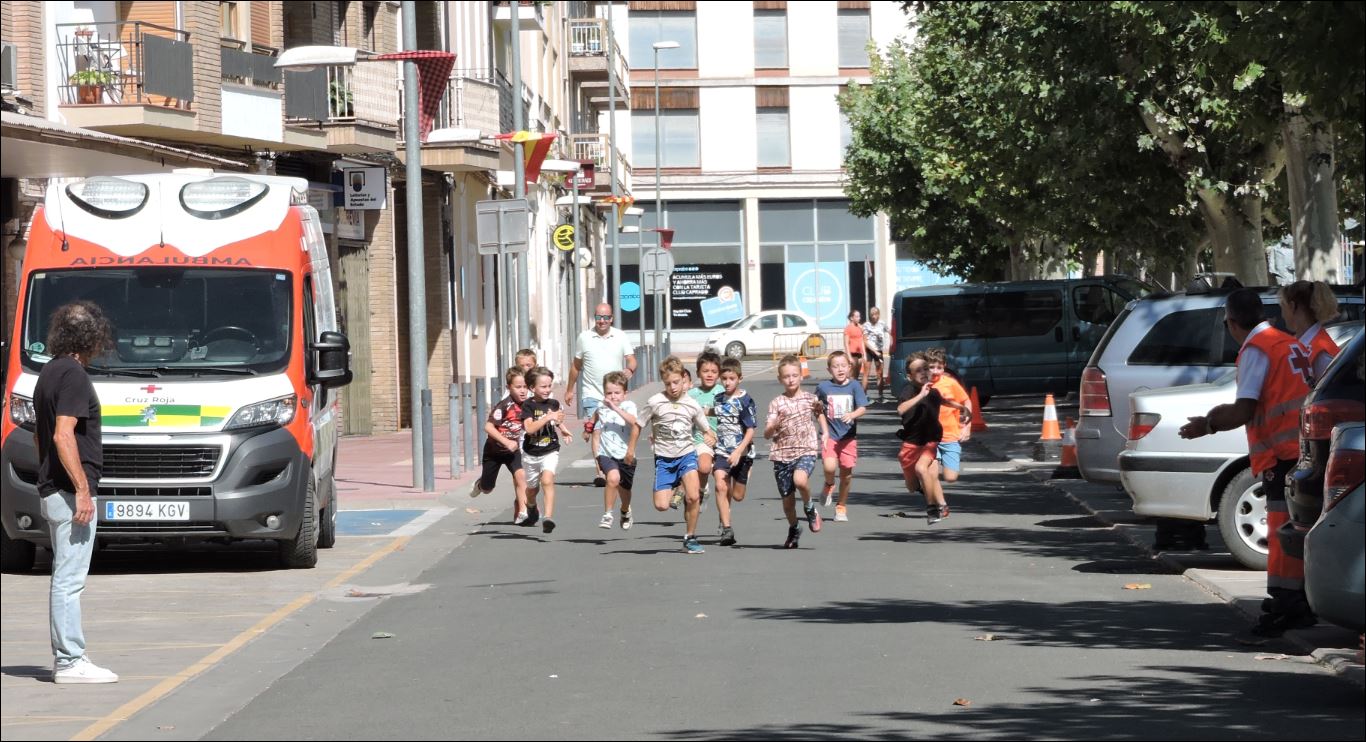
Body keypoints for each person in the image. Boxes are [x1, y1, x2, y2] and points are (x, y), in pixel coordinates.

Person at [1180, 288, 1314, 637]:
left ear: (1231, 323)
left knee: (1282, 533)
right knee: (1299, 532)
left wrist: (1207, 425)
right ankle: (1300, 600)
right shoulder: (1288, 343)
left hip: (1282, 455)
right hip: (1306, 450)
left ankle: (1287, 604)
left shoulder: (1256, 349)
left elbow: (1244, 409)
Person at [33, 301, 118, 683]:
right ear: (92, 337)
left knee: (63, 577)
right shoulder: (74, 375)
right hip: (69, 494)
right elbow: (62, 434)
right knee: (69, 580)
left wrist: (49, 478)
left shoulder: (49, 372)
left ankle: (69, 657)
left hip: (54, 489)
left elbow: (40, 437)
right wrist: (82, 490)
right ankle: (70, 660)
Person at [630, 356, 717, 554]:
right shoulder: (655, 402)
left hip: (687, 455)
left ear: (683, 378)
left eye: (676, 382)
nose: (673, 387)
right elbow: (638, 424)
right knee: (661, 505)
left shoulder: (692, 404)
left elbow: (706, 430)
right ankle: (678, 485)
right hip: (664, 459)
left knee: (693, 497)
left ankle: (690, 537)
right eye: (668, 383)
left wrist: (710, 438)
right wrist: (630, 450)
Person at [565, 304, 637, 487]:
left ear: (611, 318)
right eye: (599, 317)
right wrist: (570, 389)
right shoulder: (584, 337)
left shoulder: (620, 336)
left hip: (614, 394)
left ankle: (613, 462)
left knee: (609, 429)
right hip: (592, 393)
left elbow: (631, 359)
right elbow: (576, 366)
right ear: (594, 318)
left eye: (606, 317)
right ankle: (601, 472)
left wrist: (630, 370)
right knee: (597, 430)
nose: (602, 321)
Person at [766, 354, 829, 548]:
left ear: (801, 376)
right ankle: (794, 528)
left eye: (794, 375)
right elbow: (767, 433)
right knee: (788, 503)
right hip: (782, 454)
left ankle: (810, 508)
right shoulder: (776, 403)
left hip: (806, 449)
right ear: (780, 379)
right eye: (786, 376)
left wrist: (825, 432)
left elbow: (819, 414)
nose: (791, 379)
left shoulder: (810, 398)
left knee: (800, 480)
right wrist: (773, 426)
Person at [897, 352, 965, 525]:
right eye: (918, 370)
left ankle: (933, 509)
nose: (924, 372)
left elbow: (945, 401)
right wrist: (921, 395)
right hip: (912, 442)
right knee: (912, 487)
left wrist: (963, 408)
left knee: (923, 469)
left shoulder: (934, 392)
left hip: (931, 439)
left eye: (925, 369)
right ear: (909, 376)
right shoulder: (908, 391)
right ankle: (924, 491)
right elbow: (901, 409)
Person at [470, 367, 530, 525]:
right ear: (508, 387)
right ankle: (480, 484)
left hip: (514, 452)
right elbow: (488, 427)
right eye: (518, 387)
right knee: (487, 488)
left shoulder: (529, 405)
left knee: (521, 476)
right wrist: (506, 441)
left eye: (525, 387)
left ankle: (523, 511)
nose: (523, 391)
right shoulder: (504, 406)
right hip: (494, 451)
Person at [816, 351, 869, 523]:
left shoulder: (854, 386)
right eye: (835, 366)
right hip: (830, 436)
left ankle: (841, 506)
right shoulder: (823, 387)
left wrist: (853, 415)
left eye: (843, 366)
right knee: (829, 467)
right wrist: (824, 430)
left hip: (848, 437)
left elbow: (863, 407)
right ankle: (829, 484)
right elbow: (817, 410)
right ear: (829, 369)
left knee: (846, 475)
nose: (840, 369)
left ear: (849, 367)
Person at [521, 366, 574, 534]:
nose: (547, 389)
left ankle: (548, 518)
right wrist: (548, 417)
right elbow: (529, 429)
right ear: (532, 388)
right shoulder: (528, 405)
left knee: (547, 480)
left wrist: (562, 428)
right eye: (543, 386)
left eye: (549, 386)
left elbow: (557, 420)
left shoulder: (553, 403)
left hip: (550, 449)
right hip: (531, 453)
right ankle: (531, 506)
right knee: (532, 489)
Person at [712, 357, 757, 546]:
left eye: (731, 378)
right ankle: (726, 528)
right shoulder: (718, 399)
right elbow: (717, 412)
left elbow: (751, 429)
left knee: (737, 496)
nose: (727, 382)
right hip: (722, 451)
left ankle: (747, 469)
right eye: (724, 379)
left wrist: (739, 451)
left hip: (742, 453)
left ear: (739, 378)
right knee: (720, 486)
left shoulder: (745, 401)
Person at [591, 371, 638, 530]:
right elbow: (595, 416)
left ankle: (625, 510)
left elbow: (634, 422)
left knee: (625, 490)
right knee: (612, 478)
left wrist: (615, 408)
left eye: (617, 393)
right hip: (606, 453)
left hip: (626, 455)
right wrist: (588, 429)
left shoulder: (629, 406)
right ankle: (608, 514)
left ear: (625, 393)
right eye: (609, 393)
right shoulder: (601, 406)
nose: (613, 396)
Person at [925, 348, 973, 487]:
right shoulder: (922, 384)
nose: (935, 371)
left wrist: (967, 427)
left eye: (939, 367)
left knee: (950, 477)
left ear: (944, 366)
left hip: (950, 435)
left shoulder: (950, 383)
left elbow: (966, 401)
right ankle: (934, 498)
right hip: (929, 437)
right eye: (931, 367)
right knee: (931, 473)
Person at [1279, 280, 1341, 382]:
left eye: (1283, 307)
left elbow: (1332, 389)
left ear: (1292, 306)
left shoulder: (1321, 354)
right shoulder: (1300, 342)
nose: (1282, 315)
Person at [688, 352, 723, 501]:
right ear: (698, 373)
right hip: (701, 438)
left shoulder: (722, 392)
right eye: (705, 371)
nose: (709, 375)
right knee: (704, 467)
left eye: (714, 372)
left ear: (719, 374)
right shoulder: (691, 394)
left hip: (722, 439)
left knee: (725, 485)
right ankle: (703, 489)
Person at [861, 306, 890, 400]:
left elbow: (890, 332)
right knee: (866, 373)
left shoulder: (882, 323)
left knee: (880, 373)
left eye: (876, 314)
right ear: (870, 315)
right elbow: (865, 341)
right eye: (872, 314)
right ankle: (864, 396)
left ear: (879, 314)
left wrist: (892, 342)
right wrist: (874, 351)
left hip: (879, 350)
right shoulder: (866, 325)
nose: (874, 316)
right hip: (869, 350)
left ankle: (881, 395)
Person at [843, 310, 866, 381]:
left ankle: (854, 386)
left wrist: (864, 354)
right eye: (857, 316)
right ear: (851, 318)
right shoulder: (848, 328)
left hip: (859, 354)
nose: (859, 318)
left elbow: (862, 341)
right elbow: (846, 343)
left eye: (859, 316)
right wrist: (849, 356)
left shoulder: (860, 327)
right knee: (851, 374)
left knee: (857, 374)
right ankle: (848, 386)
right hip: (852, 353)